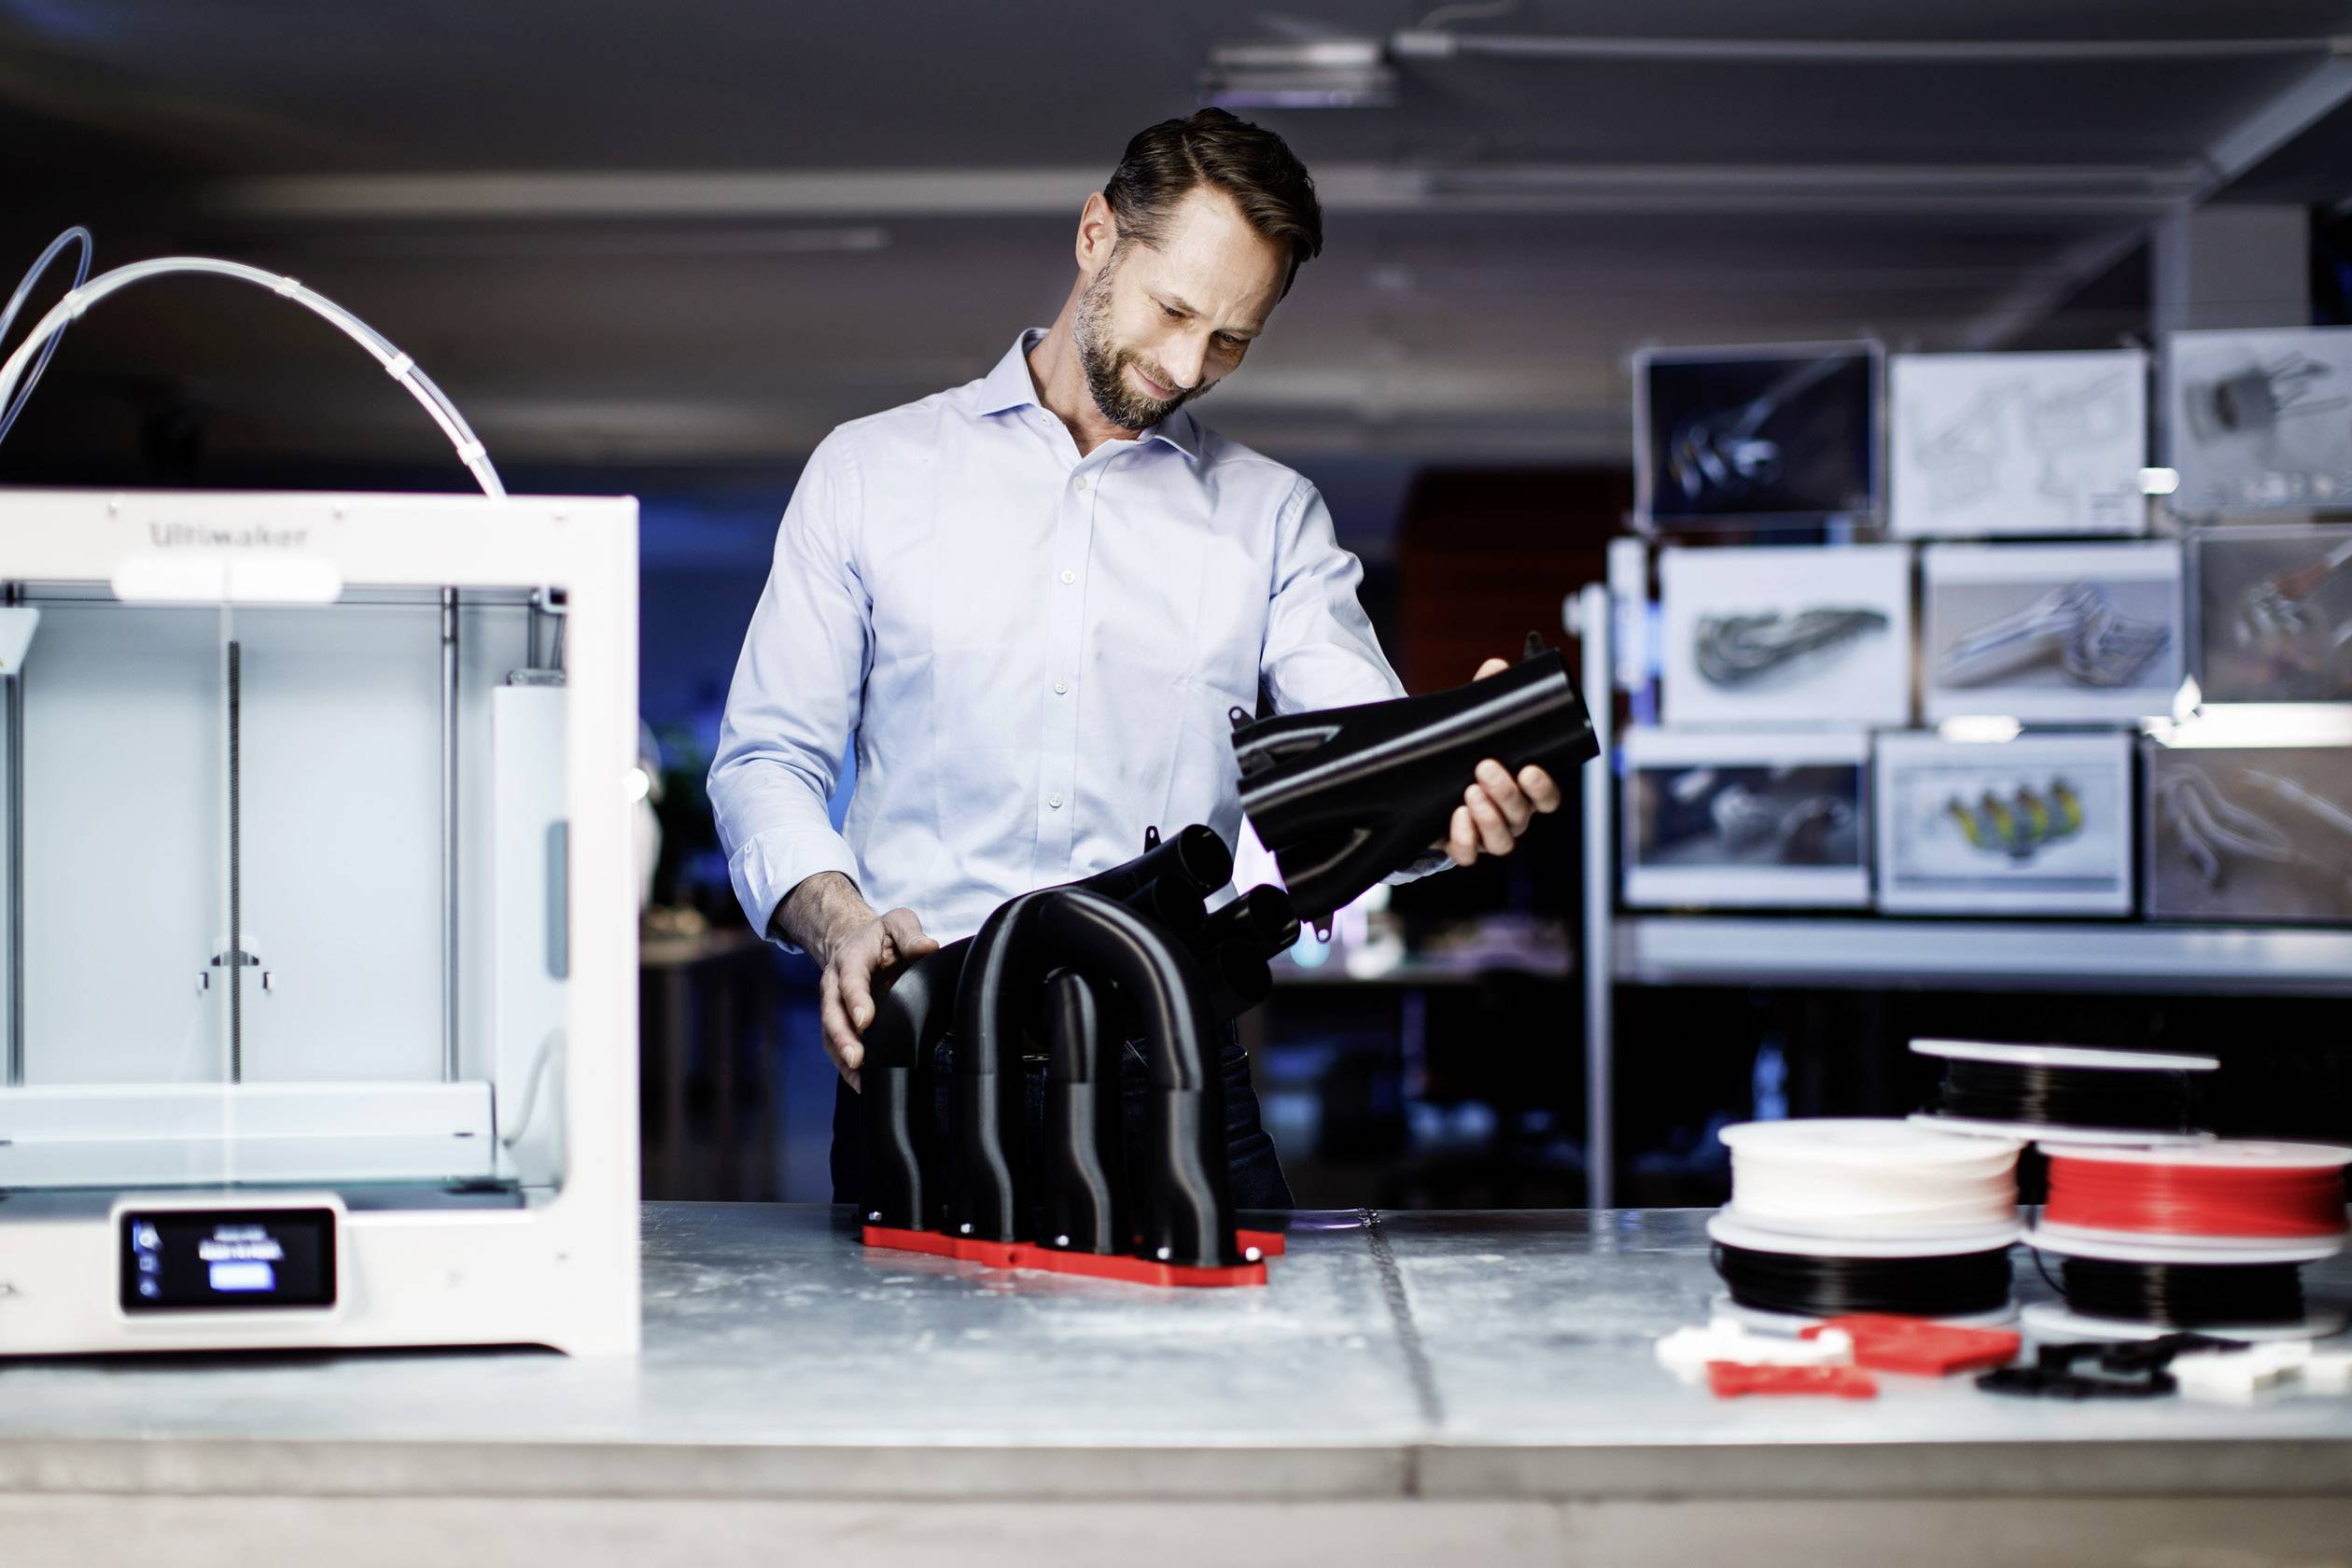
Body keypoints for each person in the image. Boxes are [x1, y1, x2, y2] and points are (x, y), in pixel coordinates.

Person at [708, 108, 1561, 1210]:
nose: (1184, 366)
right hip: (923, 1066)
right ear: (1095, 236)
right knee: (918, 1387)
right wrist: (839, 918)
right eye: (1173, 311)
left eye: (1231, 341)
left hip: (1175, 1078)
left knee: (1222, 1385)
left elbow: (1360, 774)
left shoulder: (1272, 519)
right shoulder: (870, 474)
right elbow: (766, 759)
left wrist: (1448, 793)